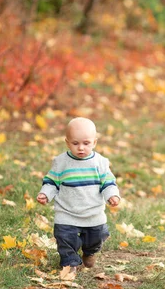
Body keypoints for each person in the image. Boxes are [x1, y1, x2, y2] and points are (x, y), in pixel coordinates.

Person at [37, 117, 121, 272]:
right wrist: (45, 194)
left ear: (94, 142)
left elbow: (108, 182)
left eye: (86, 143)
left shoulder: (100, 162)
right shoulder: (61, 162)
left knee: (99, 235)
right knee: (65, 238)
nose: (81, 148)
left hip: (93, 212)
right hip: (67, 212)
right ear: (67, 142)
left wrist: (112, 195)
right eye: (75, 143)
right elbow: (51, 181)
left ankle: (90, 252)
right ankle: (70, 263)